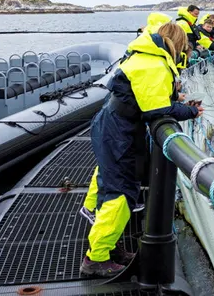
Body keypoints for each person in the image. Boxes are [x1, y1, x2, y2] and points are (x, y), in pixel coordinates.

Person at [80, 23, 203, 277]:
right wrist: (190, 111)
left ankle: (109, 247)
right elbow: (156, 111)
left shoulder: (145, 56)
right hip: (119, 133)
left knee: (115, 186)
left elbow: (149, 98)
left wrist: (177, 102)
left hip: (115, 127)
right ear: (177, 44)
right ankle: (97, 258)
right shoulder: (155, 65)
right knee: (120, 193)